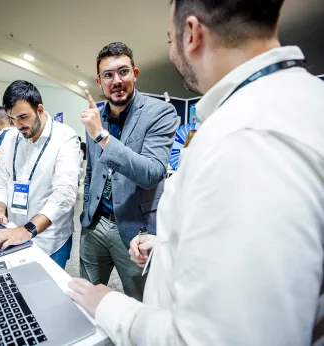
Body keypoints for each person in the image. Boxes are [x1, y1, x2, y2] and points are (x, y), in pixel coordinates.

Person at [68, 1, 324, 345]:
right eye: (108, 75)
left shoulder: (246, 136)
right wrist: (165, 243)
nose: (173, 52)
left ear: (191, 34)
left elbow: (225, 335)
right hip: (102, 227)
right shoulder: (297, 102)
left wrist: (112, 307)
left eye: (169, 40)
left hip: (132, 235)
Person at [78, 42, 178, 301]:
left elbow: (152, 173)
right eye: (108, 75)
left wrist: (101, 135)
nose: (116, 80)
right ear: (100, 82)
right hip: (95, 224)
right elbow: (91, 170)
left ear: (135, 73)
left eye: (123, 72)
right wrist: (87, 209)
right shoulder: (95, 116)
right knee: (86, 296)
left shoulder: (160, 112)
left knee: (142, 303)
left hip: (137, 229)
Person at [0, 80, 81, 269]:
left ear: (40, 109)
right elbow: (1, 179)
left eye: (23, 117)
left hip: (51, 240)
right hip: (14, 234)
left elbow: (64, 194)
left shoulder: (65, 137)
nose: (18, 125)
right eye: (12, 119)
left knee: (47, 295)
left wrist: (27, 230)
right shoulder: (11, 138)